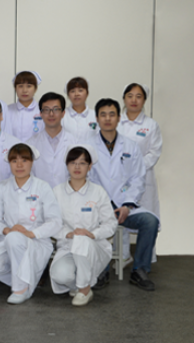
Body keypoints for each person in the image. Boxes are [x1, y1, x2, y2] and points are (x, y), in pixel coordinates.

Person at [88, 98, 158, 291]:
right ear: (97, 118)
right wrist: (104, 205)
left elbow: (138, 178)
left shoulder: (131, 146)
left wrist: (127, 205)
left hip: (125, 204)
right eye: (103, 114)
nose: (107, 118)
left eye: (112, 114)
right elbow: (86, 178)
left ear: (119, 118)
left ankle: (139, 270)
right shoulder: (87, 146)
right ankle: (101, 270)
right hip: (98, 205)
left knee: (150, 221)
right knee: (93, 222)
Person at [0, 143, 62, 304]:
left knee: (15, 238)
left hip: (36, 241)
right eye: (14, 161)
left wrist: (30, 233)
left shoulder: (42, 187)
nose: (19, 165)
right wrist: (6, 230)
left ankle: (21, 289)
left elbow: (55, 221)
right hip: (8, 238)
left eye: (24, 160)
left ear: (32, 162)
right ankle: (26, 280)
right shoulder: (2, 187)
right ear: (9, 163)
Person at [50, 145, 117, 306]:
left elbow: (110, 223)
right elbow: (51, 222)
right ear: (67, 165)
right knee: (60, 276)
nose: (77, 167)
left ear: (90, 166)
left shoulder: (98, 192)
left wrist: (92, 234)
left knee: (81, 239)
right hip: (68, 245)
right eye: (73, 163)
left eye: (82, 163)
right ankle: (79, 284)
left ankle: (84, 289)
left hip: (94, 246)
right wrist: (67, 234)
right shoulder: (57, 192)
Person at [117, 83, 162, 262]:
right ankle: (123, 255)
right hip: (119, 177)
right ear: (124, 99)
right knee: (121, 213)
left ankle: (147, 258)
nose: (134, 100)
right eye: (130, 96)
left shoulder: (151, 125)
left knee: (148, 217)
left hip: (144, 175)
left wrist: (136, 167)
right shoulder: (117, 122)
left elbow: (154, 152)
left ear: (144, 100)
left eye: (138, 96)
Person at [27, 92, 77, 188]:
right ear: (41, 114)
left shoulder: (75, 143)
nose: (51, 114)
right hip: (39, 195)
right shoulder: (30, 144)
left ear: (63, 113)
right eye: (46, 110)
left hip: (67, 195)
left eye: (56, 109)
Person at [5, 71, 43, 142]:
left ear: (35, 89)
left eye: (29, 86)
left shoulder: (43, 110)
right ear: (15, 88)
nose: (24, 90)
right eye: (20, 86)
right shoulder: (7, 110)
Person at [61, 77, 98, 141]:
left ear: (87, 93)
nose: (76, 94)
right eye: (72, 91)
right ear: (68, 95)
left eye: (80, 90)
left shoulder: (95, 115)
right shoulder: (62, 116)